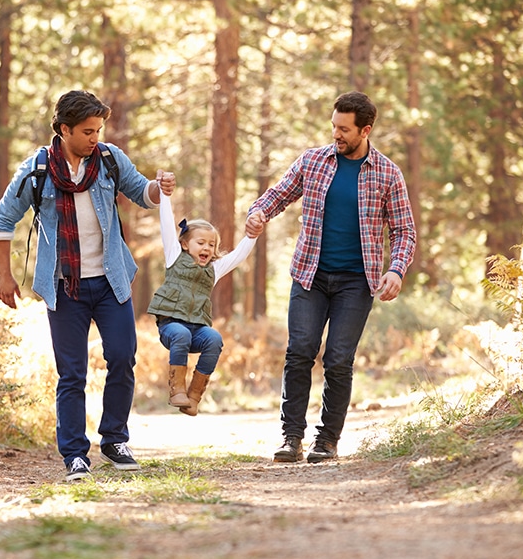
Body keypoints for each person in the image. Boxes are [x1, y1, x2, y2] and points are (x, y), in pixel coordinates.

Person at [0, 90, 176, 481]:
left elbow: (143, 193)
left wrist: (161, 187)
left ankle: (113, 440)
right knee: (71, 374)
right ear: (63, 129)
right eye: (88, 131)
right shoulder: (37, 171)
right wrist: (4, 275)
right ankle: (75, 454)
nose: (95, 138)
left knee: (123, 357)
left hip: (111, 282)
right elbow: (3, 221)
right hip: (65, 286)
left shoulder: (107, 159)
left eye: (98, 130)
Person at [245, 91, 416, 464]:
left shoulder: (387, 173)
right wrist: (258, 213)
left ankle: (327, 440)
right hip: (311, 275)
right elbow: (278, 194)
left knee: (338, 359)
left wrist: (396, 269)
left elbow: (404, 231)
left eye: (344, 129)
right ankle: (292, 438)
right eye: (334, 127)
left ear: (365, 130)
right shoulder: (313, 161)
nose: (336, 135)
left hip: (357, 282)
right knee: (300, 351)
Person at [147, 190, 261, 417]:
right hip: (171, 326)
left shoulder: (214, 270)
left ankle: (194, 396)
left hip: (197, 329)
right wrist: (165, 194)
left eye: (212, 244)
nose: (207, 248)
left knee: (214, 338)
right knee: (180, 333)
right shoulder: (173, 256)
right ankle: (176, 389)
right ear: (186, 244)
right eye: (201, 243)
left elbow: (238, 256)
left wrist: (252, 236)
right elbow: (167, 224)